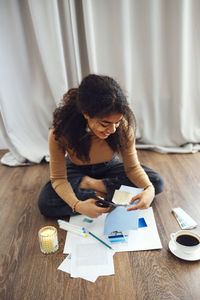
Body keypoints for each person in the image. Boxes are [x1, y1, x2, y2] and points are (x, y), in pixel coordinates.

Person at [38, 74, 164, 219]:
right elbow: (59, 179)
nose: (113, 130)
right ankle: (112, 195)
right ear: (86, 114)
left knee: (156, 182)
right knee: (45, 203)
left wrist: (149, 189)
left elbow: (132, 168)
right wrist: (77, 205)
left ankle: (91, 185)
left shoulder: (123, 129)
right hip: (76, 169)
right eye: (105, 124)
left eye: (117, 122)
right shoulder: (60, 133)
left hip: (109, 167)